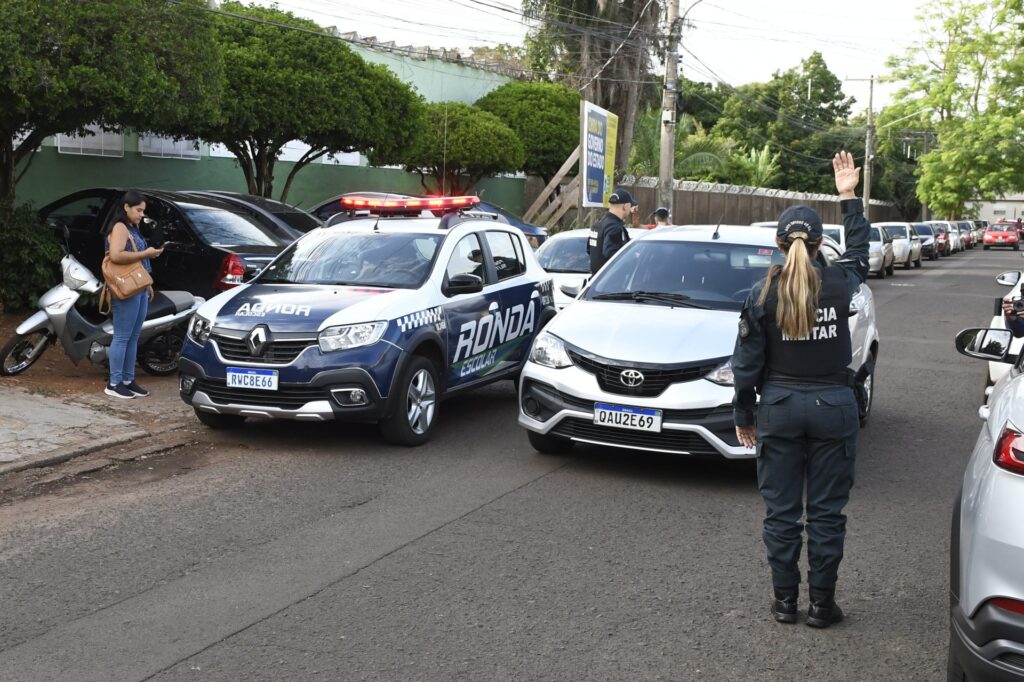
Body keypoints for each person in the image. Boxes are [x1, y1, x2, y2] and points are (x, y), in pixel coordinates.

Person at [730, 150, 870, 629]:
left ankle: (785, 602)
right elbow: (859, 250)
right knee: (827, 514)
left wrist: (742, 415)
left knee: (782, 513)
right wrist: (847, 196)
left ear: (776, 242)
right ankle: (822, 606)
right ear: (819, 244)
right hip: (834, 406)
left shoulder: (760, 293)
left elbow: (747, 363)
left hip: (780, 408)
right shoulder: (840, 282)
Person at [103, 190, 163, 399]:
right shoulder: (120, 227)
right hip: (124, 288)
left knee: (133, 336)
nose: (140, 215)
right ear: (126, 207)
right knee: (122, 336)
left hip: (137, 287)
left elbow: (135, 261)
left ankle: (128, 380)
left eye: (142, 211)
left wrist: (146, 283)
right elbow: (117, 255)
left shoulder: (132, 227)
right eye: (138, 210)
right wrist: (146, 253)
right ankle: (114, 382)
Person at [586, 187, 637, 274]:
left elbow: (589, 250)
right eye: (630, 205)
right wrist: (633, 256)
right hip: (609, 282)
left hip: (596, 280)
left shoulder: (597, 225)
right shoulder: (614, 227)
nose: (630, 208)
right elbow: (612, 253)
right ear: (625, 207)